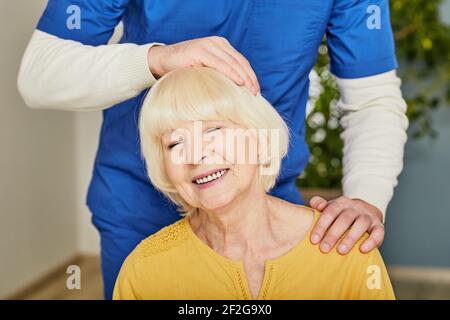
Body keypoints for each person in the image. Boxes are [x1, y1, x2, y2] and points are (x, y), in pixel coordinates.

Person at [17, 0, 408, 299]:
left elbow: (371, 100)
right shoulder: (142, 266)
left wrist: (365, 198)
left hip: (266, 198)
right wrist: (158, 59)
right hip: (138, 202)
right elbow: (39, 75)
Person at [113, 66, 395, 300]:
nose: (196, 155)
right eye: (175, 143)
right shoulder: (144, 272)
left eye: (214, 130)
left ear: (260, 138)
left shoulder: (344, 250)